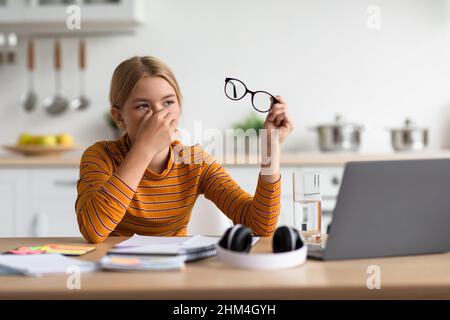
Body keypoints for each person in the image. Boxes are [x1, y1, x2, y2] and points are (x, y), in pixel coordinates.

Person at [75, 56, 294, 243]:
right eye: (143, 106)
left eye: (168, 103)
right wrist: (145, 148)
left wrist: (271, 149)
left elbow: (260, 226)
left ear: (180, 106)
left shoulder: (195, 162)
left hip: (175, 274)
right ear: (119, 117)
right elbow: (94, 230)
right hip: (115, 275)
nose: (159, 116)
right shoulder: (100, 157)